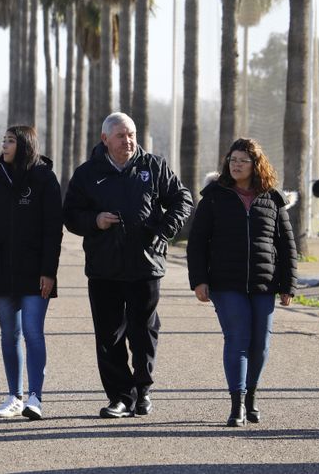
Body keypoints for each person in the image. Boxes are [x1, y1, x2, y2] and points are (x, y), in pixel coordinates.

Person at [63, 112, 193, 418]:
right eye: (121, 136)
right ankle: (121, 397)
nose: (128, 141)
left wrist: (164, 231)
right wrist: (95, 220)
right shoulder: (87, 173)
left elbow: (182, 199)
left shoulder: (154, 166)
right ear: (105, 139)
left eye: (131, 134)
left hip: (145, 264)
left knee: (143, 330)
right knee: (109, 335)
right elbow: (70, 215)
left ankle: (143, 389)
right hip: (104, 267)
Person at [187, 138, 298, 427]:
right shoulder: (214, 196)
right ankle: (236, 405)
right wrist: (199, 280)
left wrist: (289, 285)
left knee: (260, 344)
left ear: (256, 165)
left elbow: (287, 245)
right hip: (225, 283)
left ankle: (251, 398)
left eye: (243, 161)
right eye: (232, 160)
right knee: (237, 339)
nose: (236, 165)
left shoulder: (272, 198)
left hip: (264, 283)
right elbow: (197, 242)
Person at [0, 125, 63, 420]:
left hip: (35, 272)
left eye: (10, 141)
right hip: (0, 269)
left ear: (25, 144)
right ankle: (14, 397)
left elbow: (53, 230)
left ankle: (35, 397)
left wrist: (49, 271)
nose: (4, 146)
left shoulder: (44, 178)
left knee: (33, 332)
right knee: (9, 335)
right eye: (3, 141)